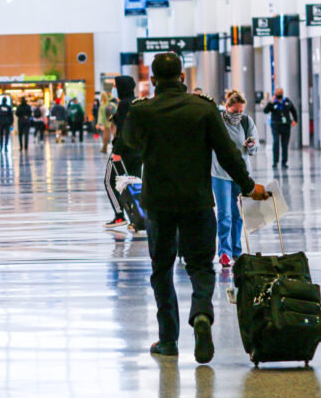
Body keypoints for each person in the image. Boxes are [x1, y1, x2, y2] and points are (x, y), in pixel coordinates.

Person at [123, 52, 268, 363]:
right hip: (197, 200)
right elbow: (228, 153)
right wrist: (247, 185)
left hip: (159, 204)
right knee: (201, 266)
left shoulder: (143, 112)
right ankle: (201, 313)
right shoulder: (202, 109)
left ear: (152, 78)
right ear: (182, 77)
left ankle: (168, 340)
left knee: (162, 269)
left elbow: (130, 144)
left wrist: (139, 112)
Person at [211, 90, 258, 268]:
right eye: (234, 111)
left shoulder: (247, 122)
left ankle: (236, 249)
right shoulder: (218, 122)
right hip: (220, 173)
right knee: (225, 214)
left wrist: (252, 144)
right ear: (227, 107)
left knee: (238, 214)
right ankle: (224, 251)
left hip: (241, 173)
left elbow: (255, 147)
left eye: (240, 111)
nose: (238, 115)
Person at [105, 75, 143, 228]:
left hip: (123, 151)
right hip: (138, 151)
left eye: (116, 86)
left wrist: (116, 151)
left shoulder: (123, 105)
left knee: (109, 182)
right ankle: (137, 219)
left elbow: (123, 131)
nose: (114, 89)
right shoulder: (136, 103)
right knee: (134, 183)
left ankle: (119, 215)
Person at [263, 88, 298, 168]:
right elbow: (265, 111)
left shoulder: (287, 101)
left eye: (280, 93)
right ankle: (275, 161)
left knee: (285, 144)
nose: (279, 94)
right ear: (275, 94)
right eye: (277, 93)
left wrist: (295, 120)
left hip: (286, 125)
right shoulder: (273, 103)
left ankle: (284, 162)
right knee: (276, 142)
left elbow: (294, 110)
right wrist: (270, 103)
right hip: (275, 125)